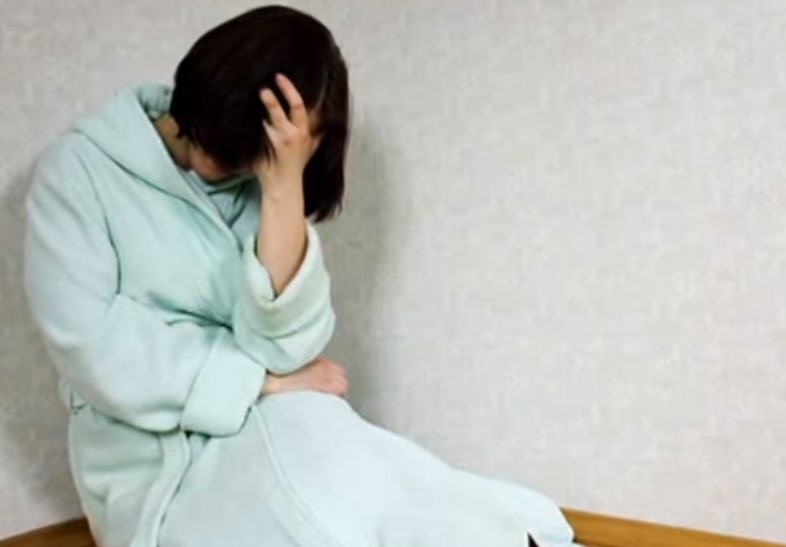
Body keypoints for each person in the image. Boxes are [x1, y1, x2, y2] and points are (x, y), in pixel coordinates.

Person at [23, 5, 577, 547]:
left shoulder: (263, 178)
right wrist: (260, 383)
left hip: (272, 412)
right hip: (150, 456)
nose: (237, 162)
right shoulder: (78, 171)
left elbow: (285, 351)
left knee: (358, 464)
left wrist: (282, 184)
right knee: (320, 516)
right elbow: (92, 346)